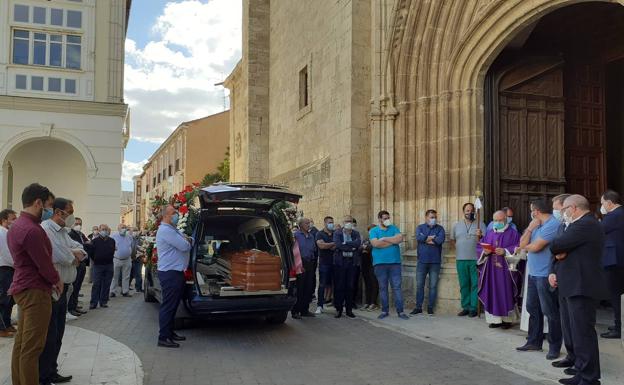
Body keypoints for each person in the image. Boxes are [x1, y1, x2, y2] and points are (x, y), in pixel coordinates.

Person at [549, 195, 609, 385]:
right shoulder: (580, 225)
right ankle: (582, 373)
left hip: (582, 286)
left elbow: (556, 244)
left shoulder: (585, 224)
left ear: (573, 208)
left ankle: (590, 378)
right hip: (574, 285)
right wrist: (561, 252)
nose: (562, 213)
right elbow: (560, 248)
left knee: (583, 334)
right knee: (577, 333)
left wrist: (561, 250)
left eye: (564, 209)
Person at [8, 183, 62, 385]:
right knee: (32, 349)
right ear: (38, 202)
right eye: (48, 206)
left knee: (22, 345)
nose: (48, 211)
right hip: (35, 291)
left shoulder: (18, 225)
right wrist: (56, 280)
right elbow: (44, 263)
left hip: (23, 287)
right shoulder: (32, 230)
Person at [40, 197, 86, 385]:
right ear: (59, 212)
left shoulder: (64, 232)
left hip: (65, 286)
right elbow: (58, 255)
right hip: (52, 288)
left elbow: (82, 250)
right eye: (70, 211)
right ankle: (43, 375)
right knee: (50, 335)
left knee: (58, 334)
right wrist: (72, 256)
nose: (72, 216)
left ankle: (52, 370)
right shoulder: (46, 229)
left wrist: (75, 254)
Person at [516, 198, 562, 360]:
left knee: (550, 311)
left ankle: (554, 346)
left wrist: (526, 245)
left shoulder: (553, 225)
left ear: (536, 212)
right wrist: (529, 230)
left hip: (545, 274)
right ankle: (534, 341)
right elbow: (522, 243)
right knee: (532, 308)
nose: (531, 214)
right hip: (533, 273)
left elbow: (535, 247)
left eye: (531, 210)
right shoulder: (535, 226)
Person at [477, 210, 521, 329]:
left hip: (506, 270)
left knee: (505, 292)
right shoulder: (490, 233)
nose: (497, 222)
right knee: (492, 291)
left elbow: (519, 248)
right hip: (491, 270)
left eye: (500, 220)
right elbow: (480, 247)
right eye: (495, 220)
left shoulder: (513, 233)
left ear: (505, 219)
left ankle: (507, 320)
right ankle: (494, 320)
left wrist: (505, 251)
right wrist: (484, 252)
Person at [156, 205, 192, 348]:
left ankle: (170, 332)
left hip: (175, 273)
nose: (176, 215)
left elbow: (185, 240)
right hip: (170, 273)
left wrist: (187, 240)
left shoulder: (172, 229)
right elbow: (185, 246)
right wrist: (189, 241)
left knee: (173, 306)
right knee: (168, 307)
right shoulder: (166, 230)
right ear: (166, 216)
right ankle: (163, 337)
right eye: (173, 213)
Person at [369, 210, 408, 320]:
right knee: (383, 288)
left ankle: (400, 311)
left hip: (394, 263)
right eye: (385, 218)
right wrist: (392, 241)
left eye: (388, 218)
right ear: (380, 219)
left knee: (397, 287)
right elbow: (375, 244)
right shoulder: (374, 230)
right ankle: (384, 311)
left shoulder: (393, 228)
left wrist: (385, 239)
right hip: (380, 263)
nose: (387, 220)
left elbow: (400, 239)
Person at [451, 203, 485, 317]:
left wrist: (480, 235)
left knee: (475, 284)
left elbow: (486, 241)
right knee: (464, 284)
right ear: (463, 211)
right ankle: (465, 306)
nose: (469, 212)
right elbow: (453, 240)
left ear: (474, 211)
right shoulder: (456, 225)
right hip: (461, 259)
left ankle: (473, 308)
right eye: (467, 210)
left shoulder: (480, 224)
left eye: (471, 210)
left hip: (476, 259)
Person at [598, 190, 624, 339]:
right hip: (616, 259)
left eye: (602, 203)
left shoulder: (614, 215)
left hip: (615, 260)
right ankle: (618, 324)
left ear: (609, 203)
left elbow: (598, 231)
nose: (602, 206)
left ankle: (619, 328)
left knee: (615, 294)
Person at [413, 209, 445, 316]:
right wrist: (431, 238)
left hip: (435, 262)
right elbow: (418, 237)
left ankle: (430, 308)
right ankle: (418, 307)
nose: (433, 219)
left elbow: (440, 240)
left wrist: (425, 239)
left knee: (433, 286)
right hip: (422, 261)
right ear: (426, 217)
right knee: (419, 285)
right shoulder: (420, 227)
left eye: (435, 217)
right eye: (431, 217)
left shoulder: (440, 228)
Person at [332, 215, 361, 318]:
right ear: (343, 222)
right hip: (340, 263)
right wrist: (351, 248)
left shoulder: (356, 233)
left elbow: (358, 244)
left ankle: (349, 309)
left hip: (352, 263)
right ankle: (338, 309)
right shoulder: (337, 233)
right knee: (339, 286)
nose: (349, 222)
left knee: (350, 286)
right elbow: (338, 245)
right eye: (347, 221)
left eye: (350, 221)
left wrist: (347, 243)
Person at [292, 217, 317, 319]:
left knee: (309, 287)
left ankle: (305, 310)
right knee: (300, 288)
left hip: (310, 262)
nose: (309, 225)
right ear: (301, 225)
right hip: (299, 263)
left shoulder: (311, 236)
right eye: (307, 223)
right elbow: (293, 251)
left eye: (309, 223)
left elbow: (313, 249)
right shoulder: (296, 235)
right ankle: (295, 311)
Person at [0, 209, 17, 337]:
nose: (15, 221)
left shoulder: (7, 233)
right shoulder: (3, 233)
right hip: (5, 269)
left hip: (9, 269)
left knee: (10, 299)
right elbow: (8, 254)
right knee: (4, 299)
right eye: (13, 219)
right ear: (4, 220)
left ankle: (6, 323)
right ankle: (1, 328)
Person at [89, 225, 115, 309]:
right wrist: (96, 259)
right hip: (98, 265)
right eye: (102, 229)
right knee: (96, 284)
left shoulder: (112, 241)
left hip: (109, 265)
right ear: (99, 230)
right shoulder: (94, 241)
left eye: (105, 229)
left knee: (106, 284)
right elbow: (91, 253)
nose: (104, 231)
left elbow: (112, 252)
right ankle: (93, 302)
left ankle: (103, 301)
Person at [68, 217, 89, 317]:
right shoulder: (70, 234)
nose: (78, 225)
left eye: (80, 223)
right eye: (76, 223)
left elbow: (86, 243)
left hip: (82, 263)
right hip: (76, 263)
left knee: (78, 287)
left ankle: (74, 306)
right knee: (74, 286)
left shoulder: (81, 234)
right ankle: (71, 308)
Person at [315, 216, 335, 314]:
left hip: (336, 263)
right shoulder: (320, 234)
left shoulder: (336, 233)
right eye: (329, 222)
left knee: (336, 284)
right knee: (322, 284)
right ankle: (319, 305)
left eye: (332, 222)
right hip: (324, 263)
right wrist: (333, 244)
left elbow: (340, 245)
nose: (331, 224)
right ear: (325, 223)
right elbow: (321, 246)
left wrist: (329, 245)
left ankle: (337, 304)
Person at [110, 224, 133, 297]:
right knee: (114, 276)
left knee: (126, 276)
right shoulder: (113, 236)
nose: (124, 229)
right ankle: (112, 291)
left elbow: (131, 245)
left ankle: (125, 291)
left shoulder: (129, 236)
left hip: (127, 259)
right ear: (118, 229)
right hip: (116, 259)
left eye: (125, 228)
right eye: (122, 228)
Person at [360, 224, 379, 311]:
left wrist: (366, 248)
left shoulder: (378, 240)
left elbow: (373, 247)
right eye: (370, 230)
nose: (371, 232)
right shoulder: (366, 240)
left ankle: (373, 303)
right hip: (365, 265)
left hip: (374, 264)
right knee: (367, 284)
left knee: (374, 283)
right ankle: (367, 302)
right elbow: (360, 248)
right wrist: (365, 248)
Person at [130, 227, 144, 292]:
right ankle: (125, 287)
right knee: (130, 273)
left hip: (138, 258)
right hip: (130, 258)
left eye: (136, 230)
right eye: (134, 231)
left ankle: (139, 287)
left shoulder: (141, 239)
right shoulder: (129, 239)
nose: (135, 232)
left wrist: (141, 251)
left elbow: (143, 247)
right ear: (131, 231)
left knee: (138, 273)